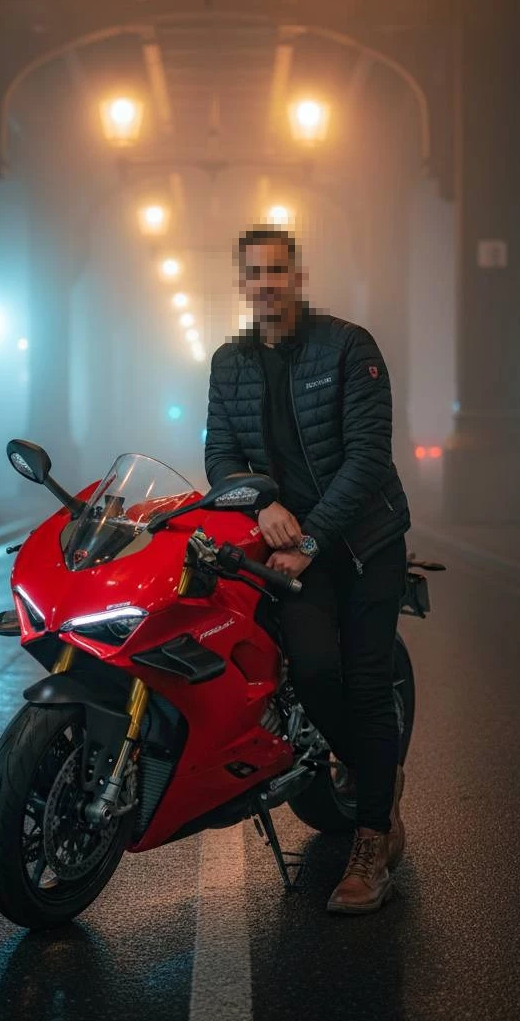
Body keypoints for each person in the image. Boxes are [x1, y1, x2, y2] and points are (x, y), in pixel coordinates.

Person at [204, 225, 412, 914]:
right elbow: (222, 459)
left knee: (364, 681)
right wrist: (261, 502)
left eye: (277, 271)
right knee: (314, 671)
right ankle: (372, 772)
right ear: (243, 283)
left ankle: (372, 839)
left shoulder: (348, 346)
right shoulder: (228, 364)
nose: (266, 283)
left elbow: (368, 457)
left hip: (363, 541)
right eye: (254, 273)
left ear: (296, 278)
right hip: (291, 548)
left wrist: (315, 535)